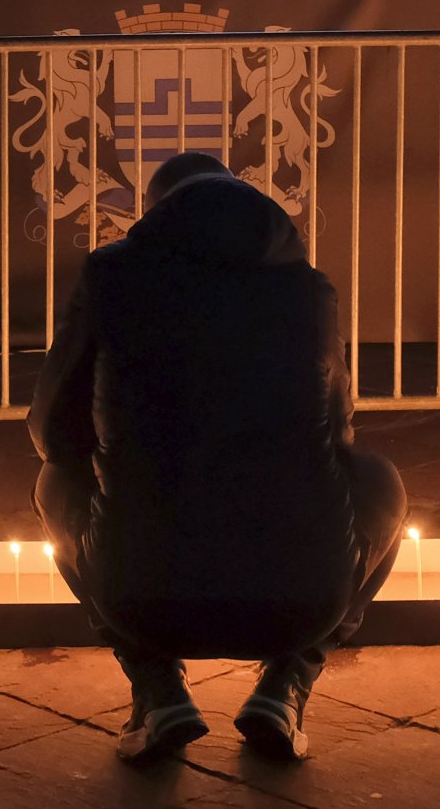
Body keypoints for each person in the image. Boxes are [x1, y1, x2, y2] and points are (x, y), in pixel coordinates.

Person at [30, 152, 406, 767]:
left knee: (53, 484)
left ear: (155, 215)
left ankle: (156, 692)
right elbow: (337, 434)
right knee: (380, 482)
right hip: (302, 601)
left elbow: (53, 430)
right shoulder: (308, 289)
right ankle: (286, 688)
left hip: (144, 598)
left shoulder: (113, 278)